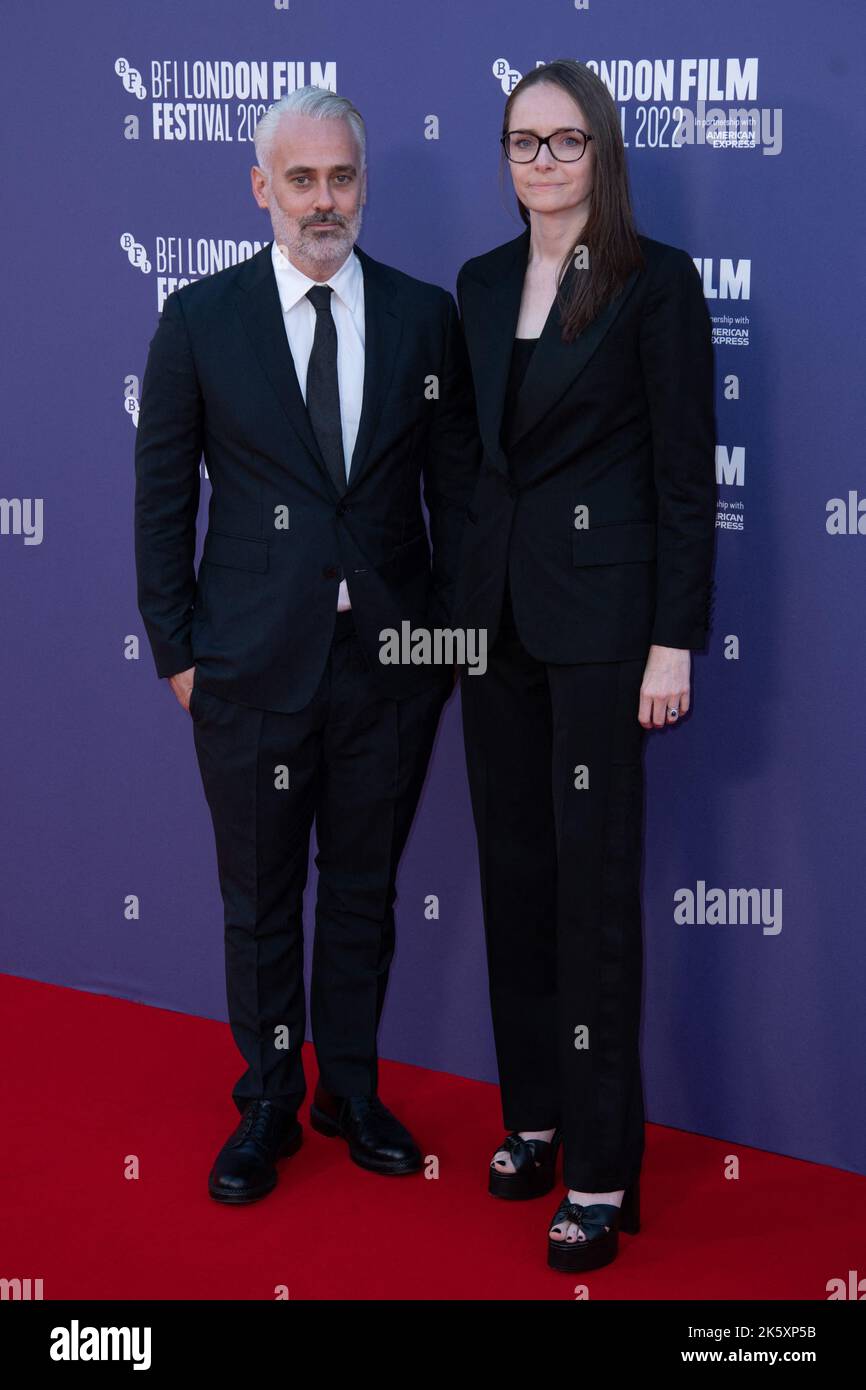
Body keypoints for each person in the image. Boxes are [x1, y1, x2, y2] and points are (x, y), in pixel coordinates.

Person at [134, 86, 478, 1204]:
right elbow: (158, 504)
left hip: (389, 671)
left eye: (339, 177)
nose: (321, 200)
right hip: (246, 668)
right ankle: (269, 1100)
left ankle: (353, 1090)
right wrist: (180, 655)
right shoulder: (199, 319)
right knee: (261, 896)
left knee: (365, 892)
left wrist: (445, 649)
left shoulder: (425, 319)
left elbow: (460, 500)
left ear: (362, 183)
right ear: (260, 190)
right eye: (300, 179)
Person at [453, 59, 717, 1271]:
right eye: (522, 141)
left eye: (564, 142)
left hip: (607, 632)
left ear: (600, 152)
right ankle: (535, 1117)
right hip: (493, 628)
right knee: (512, 876)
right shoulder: (477, 282)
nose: (541, 162)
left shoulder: (653, 284)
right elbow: (466, 465)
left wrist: (672, 638)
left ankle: (602, 1174)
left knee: (593, 895)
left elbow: (679, 477)